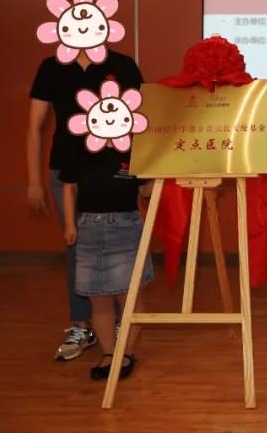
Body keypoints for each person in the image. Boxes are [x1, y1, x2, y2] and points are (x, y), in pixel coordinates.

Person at [28, 42, 142, 360]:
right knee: (78, 247)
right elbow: (35, 126)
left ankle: (117, 323)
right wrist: (34, 182)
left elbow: (141, 118)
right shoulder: (51, 67)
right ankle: (82, 326)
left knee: (120, 248)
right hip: (67, 172)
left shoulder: (123, 65)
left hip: (115, 169)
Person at [60, 144, 153, 381]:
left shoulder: (134, 150)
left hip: (126, 227)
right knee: (98, 299)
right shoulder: (80, 150)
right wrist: (70, 224)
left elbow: (146, 191)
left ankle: (127, 353)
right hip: (89, 228)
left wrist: (157, 166)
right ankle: (110, 353)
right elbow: (69, 186)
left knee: (129, 299)